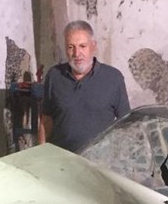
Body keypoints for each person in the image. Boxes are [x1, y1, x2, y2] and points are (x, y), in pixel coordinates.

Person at [39, 21, 130, 153]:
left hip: (99, 160)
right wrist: (41, 155)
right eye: (71, 47)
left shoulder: (113, 78)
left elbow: (126, 124)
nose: (77, 53)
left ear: (93, 46)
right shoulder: (54, 76)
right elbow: (46, 121)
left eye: (82, 46)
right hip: (61, 159)